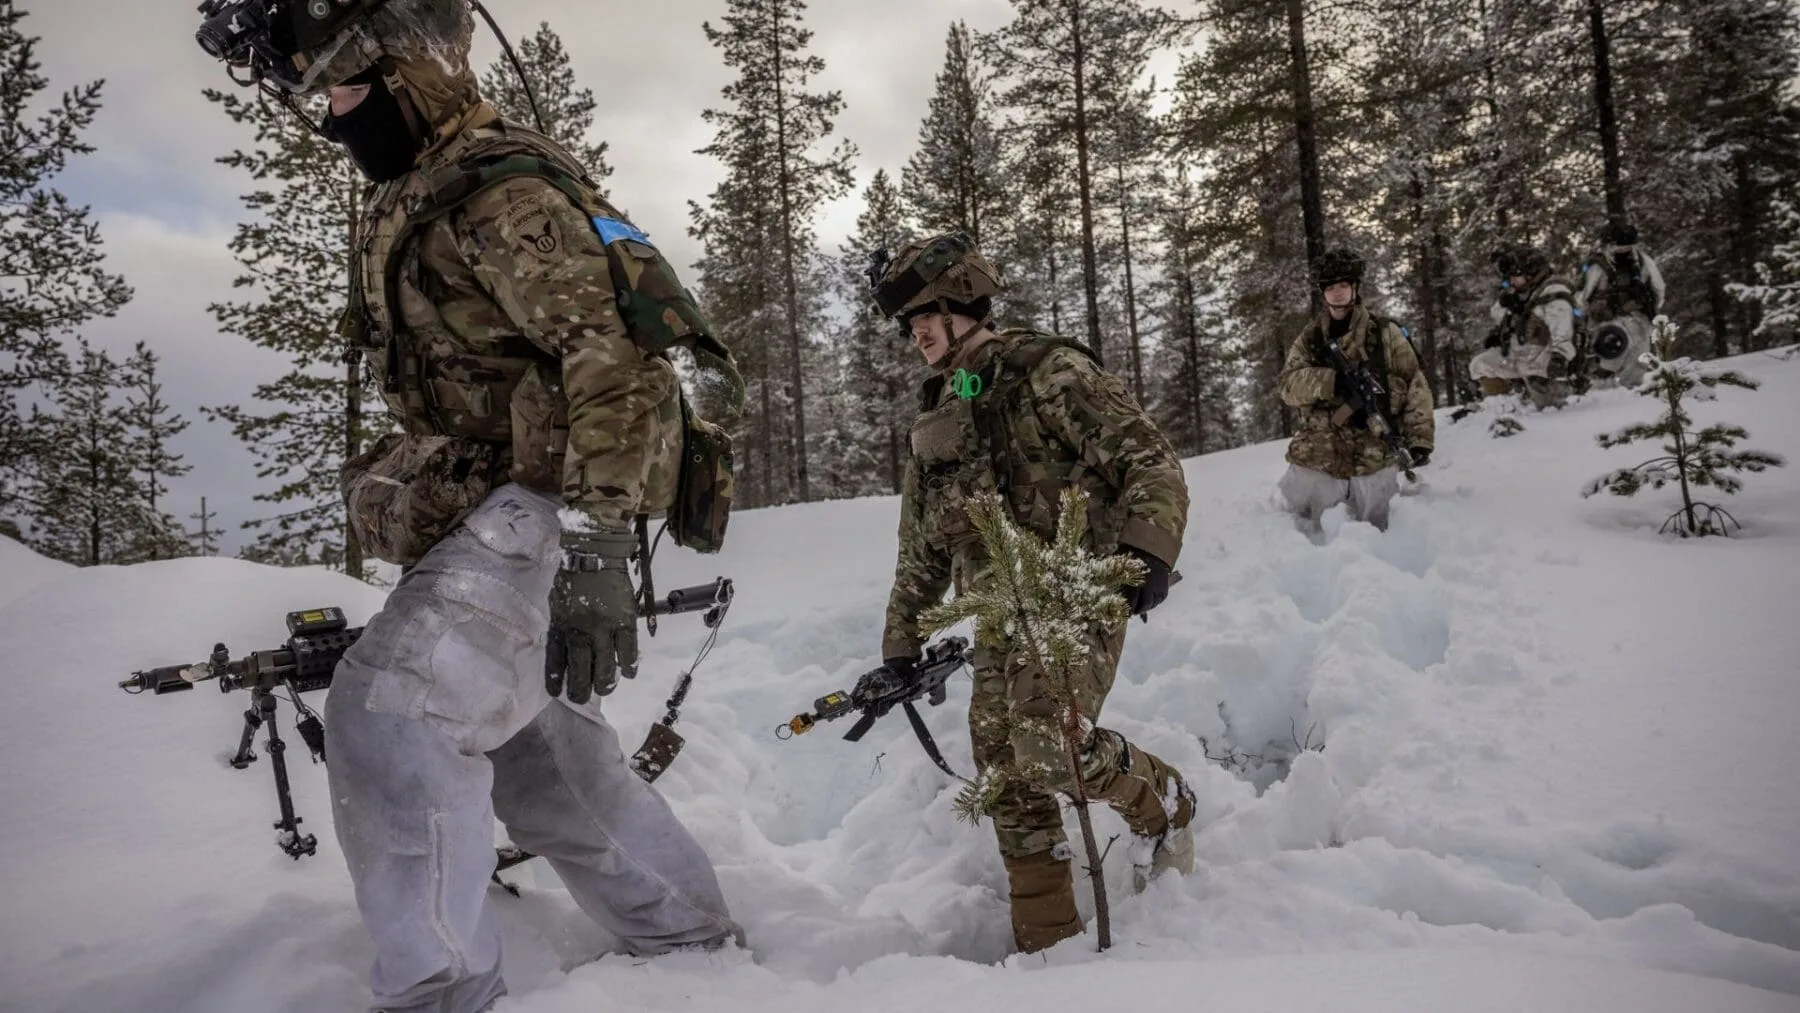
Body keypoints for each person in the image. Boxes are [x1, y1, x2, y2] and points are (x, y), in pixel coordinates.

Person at [194, 2, 742, 1010]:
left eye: (350, 90)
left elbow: (619, 366)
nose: (335, 117)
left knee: (393, 708)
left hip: (544, 502)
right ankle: (693, 941)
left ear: (413, 75)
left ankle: (442, 989)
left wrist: (594, 548)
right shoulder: (424, 183)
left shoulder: (508, 195)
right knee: (536, 750)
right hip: (498, 503)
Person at [867, 233, 1197, 955]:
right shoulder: (939, 412)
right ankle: (1048, 950)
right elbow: (921, 541)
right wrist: (901, 638)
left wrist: (1145, 553)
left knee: (1051, 746)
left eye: (925, 311)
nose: (915, 330)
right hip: (993, 614)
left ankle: (1165, 804)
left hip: (1075, 595)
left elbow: (1150, 458)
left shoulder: (1048, 371)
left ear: (963, 302)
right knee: (1005, 775)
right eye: (906, 320)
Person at [1276, 247, 1435, 532]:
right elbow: (1288, 387)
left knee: (1383, 529)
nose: (1337, 293)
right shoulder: (1310, 339)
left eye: (1344, 286)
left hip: (1373, 453)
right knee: (1298, 524)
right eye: (1331, 287)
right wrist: (1330, 382)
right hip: (1319, 455)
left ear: (1355, 288)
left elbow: (1415, 384)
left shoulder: (1386, 333)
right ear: (1322, 293)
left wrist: (1419, 439)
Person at [1468, 243, 1579, 408]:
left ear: (1530, 274)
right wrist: (1502, 327)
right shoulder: (1525, 293)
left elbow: (1562, 334)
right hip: (1522, 357)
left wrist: (1559, 359)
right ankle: (1504, 405)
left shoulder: (1553, 294)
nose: (1511, 282)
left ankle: (1539, 401)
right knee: (1480, 364)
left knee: (1549, 411)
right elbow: (1499, 313)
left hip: (1543, 366)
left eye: (1515, 276)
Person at [1576, 219, 1665, 386]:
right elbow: (1581, 297)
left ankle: (1630, 395)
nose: (1623, 252)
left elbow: (1658, 290)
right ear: (1608, 246)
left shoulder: (1643, 262)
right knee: (1608, 358)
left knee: (1637, 360)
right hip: (1605, 321)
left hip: (1637, 319)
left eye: (1627, 248)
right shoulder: (1597, 266)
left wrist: (1646, 310)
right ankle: (1604, 394)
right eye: (1620, 248)